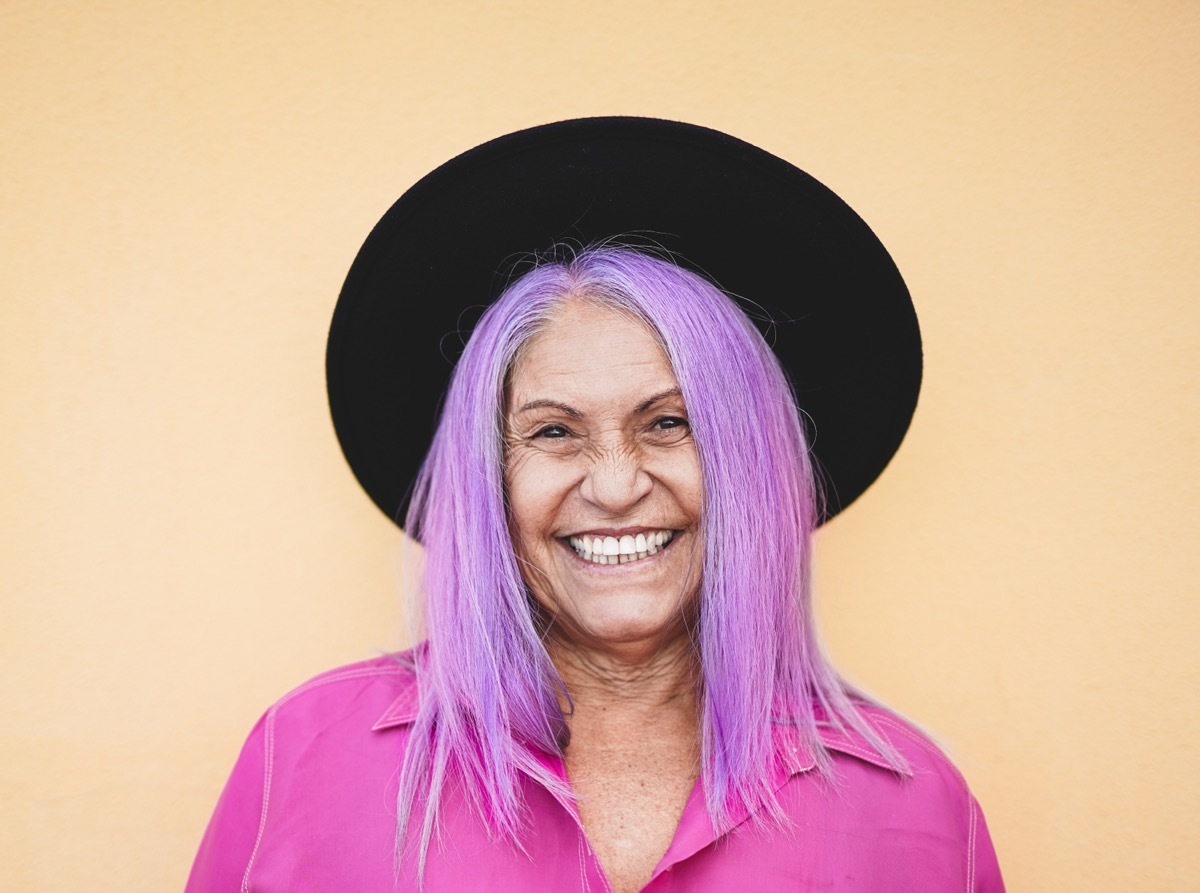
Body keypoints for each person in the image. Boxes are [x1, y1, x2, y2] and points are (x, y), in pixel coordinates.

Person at [187, 118, 1004, 891]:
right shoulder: (306, 756)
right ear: (489, 478)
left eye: (669, 422)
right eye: (553, 432)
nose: (615, 486)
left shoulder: (911, 800)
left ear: (752, 464)